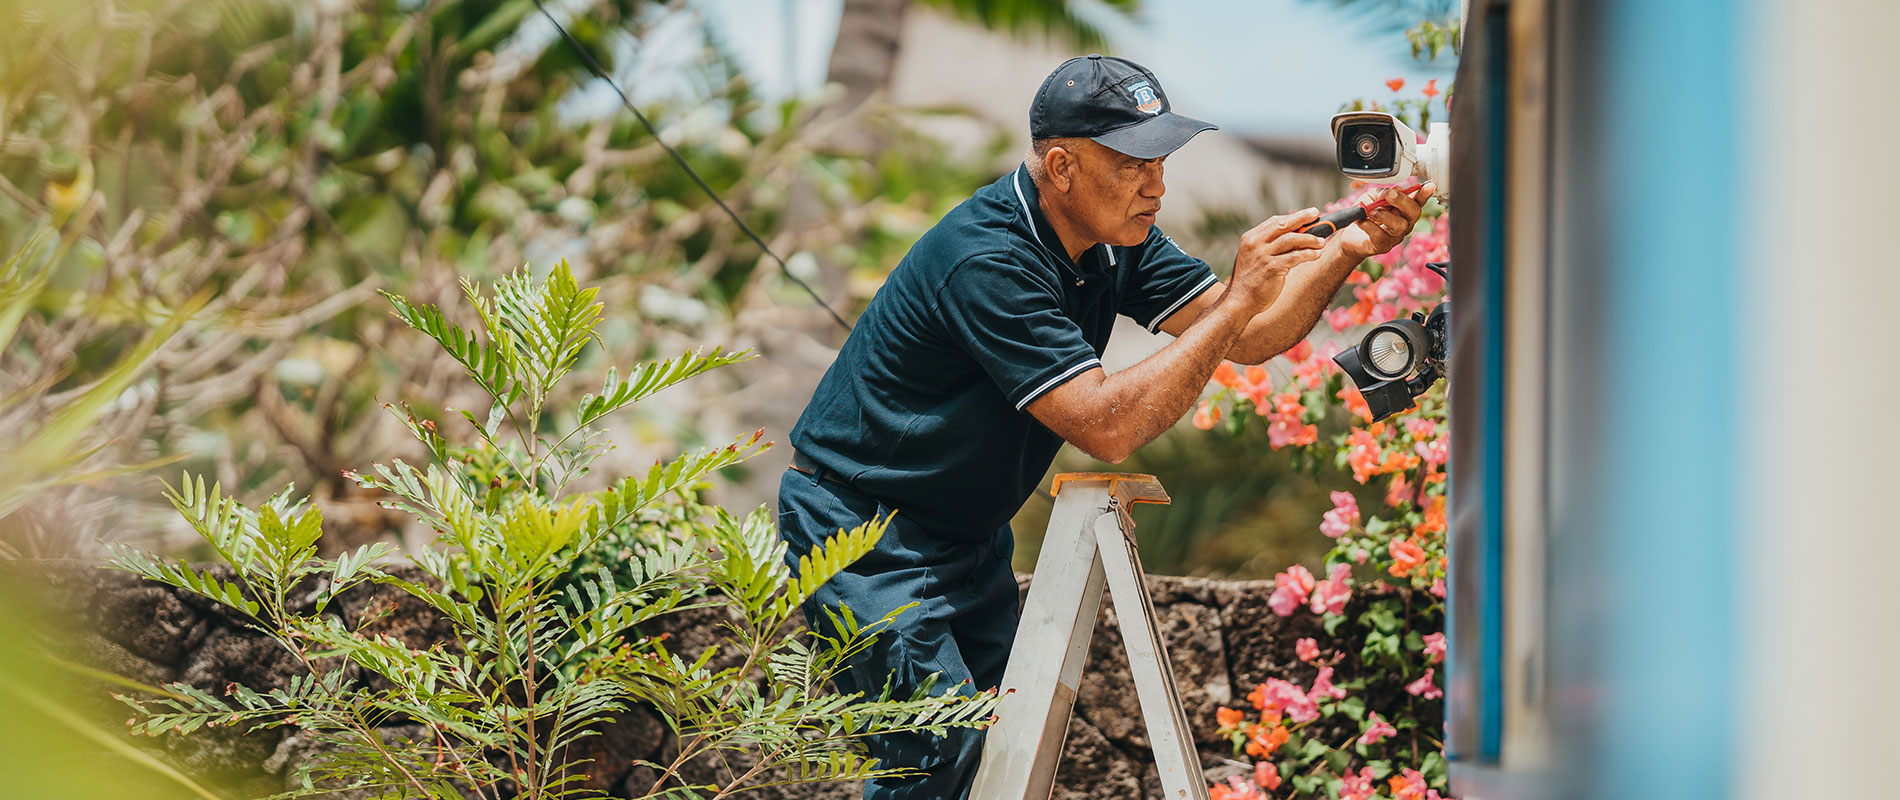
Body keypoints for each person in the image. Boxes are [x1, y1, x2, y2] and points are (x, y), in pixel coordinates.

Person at [776, 54, 1430, 800]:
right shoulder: (988, 258)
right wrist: (1240, 299)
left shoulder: (1120, 237)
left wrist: (1346, 250)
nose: (1156, 184)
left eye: (1162, 160)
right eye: (1133, 163)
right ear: (1061, 165)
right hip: (864, 526)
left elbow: (1243, 339)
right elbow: (1105, 426)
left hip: (964, 534)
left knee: (994, 749)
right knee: (936, 747)